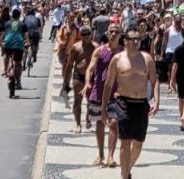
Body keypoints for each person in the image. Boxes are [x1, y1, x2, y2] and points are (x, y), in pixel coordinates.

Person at [102, 29, 158, 179]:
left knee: (138, 144)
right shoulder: (117, 59)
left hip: (141, 103)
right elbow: (108, 84)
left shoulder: (147, 59)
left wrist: (157, 100)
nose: (136, 42)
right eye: (132, 39)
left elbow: (154, 80)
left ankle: (125, 171)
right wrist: (104, 108)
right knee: (125, 142)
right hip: (124, 103)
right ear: (125, 41)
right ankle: (125, 176)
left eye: (138, 39)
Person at [85, 25, 121, 168]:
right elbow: (90, 68)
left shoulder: (123, 52)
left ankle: (111, 156)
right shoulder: (99, 51)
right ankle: (100, 154)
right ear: (107, 33)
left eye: (116, 32)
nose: (113, 34)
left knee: (113, 123)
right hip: (99, 92)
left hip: (116, 94)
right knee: (100, 123)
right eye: (111, 31)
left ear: (120, 34)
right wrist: (88, 82)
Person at [65, 25, 97, 133]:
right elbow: (69, 65)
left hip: (92, 77)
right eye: (84, 34)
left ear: (91, 34)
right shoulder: (75, 47)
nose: (86, 36)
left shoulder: (96, 47)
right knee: (77, 101)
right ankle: (78, 124)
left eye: (88, 34)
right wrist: (66, 81)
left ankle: (88, 116)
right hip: (78, 76)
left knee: (91, 101)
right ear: (80, 35)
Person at [1, 7, 28, 97]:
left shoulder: (7, 23)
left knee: (6, 55)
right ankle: (18, 81)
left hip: (8, 43)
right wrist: (28, 43)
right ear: (19, 15)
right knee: (18, 63)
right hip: (19, 44)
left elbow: (3, 34)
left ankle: (5, 70)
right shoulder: (22, 24)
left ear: (12, 15)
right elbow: (26, 36)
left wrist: (1, 42)